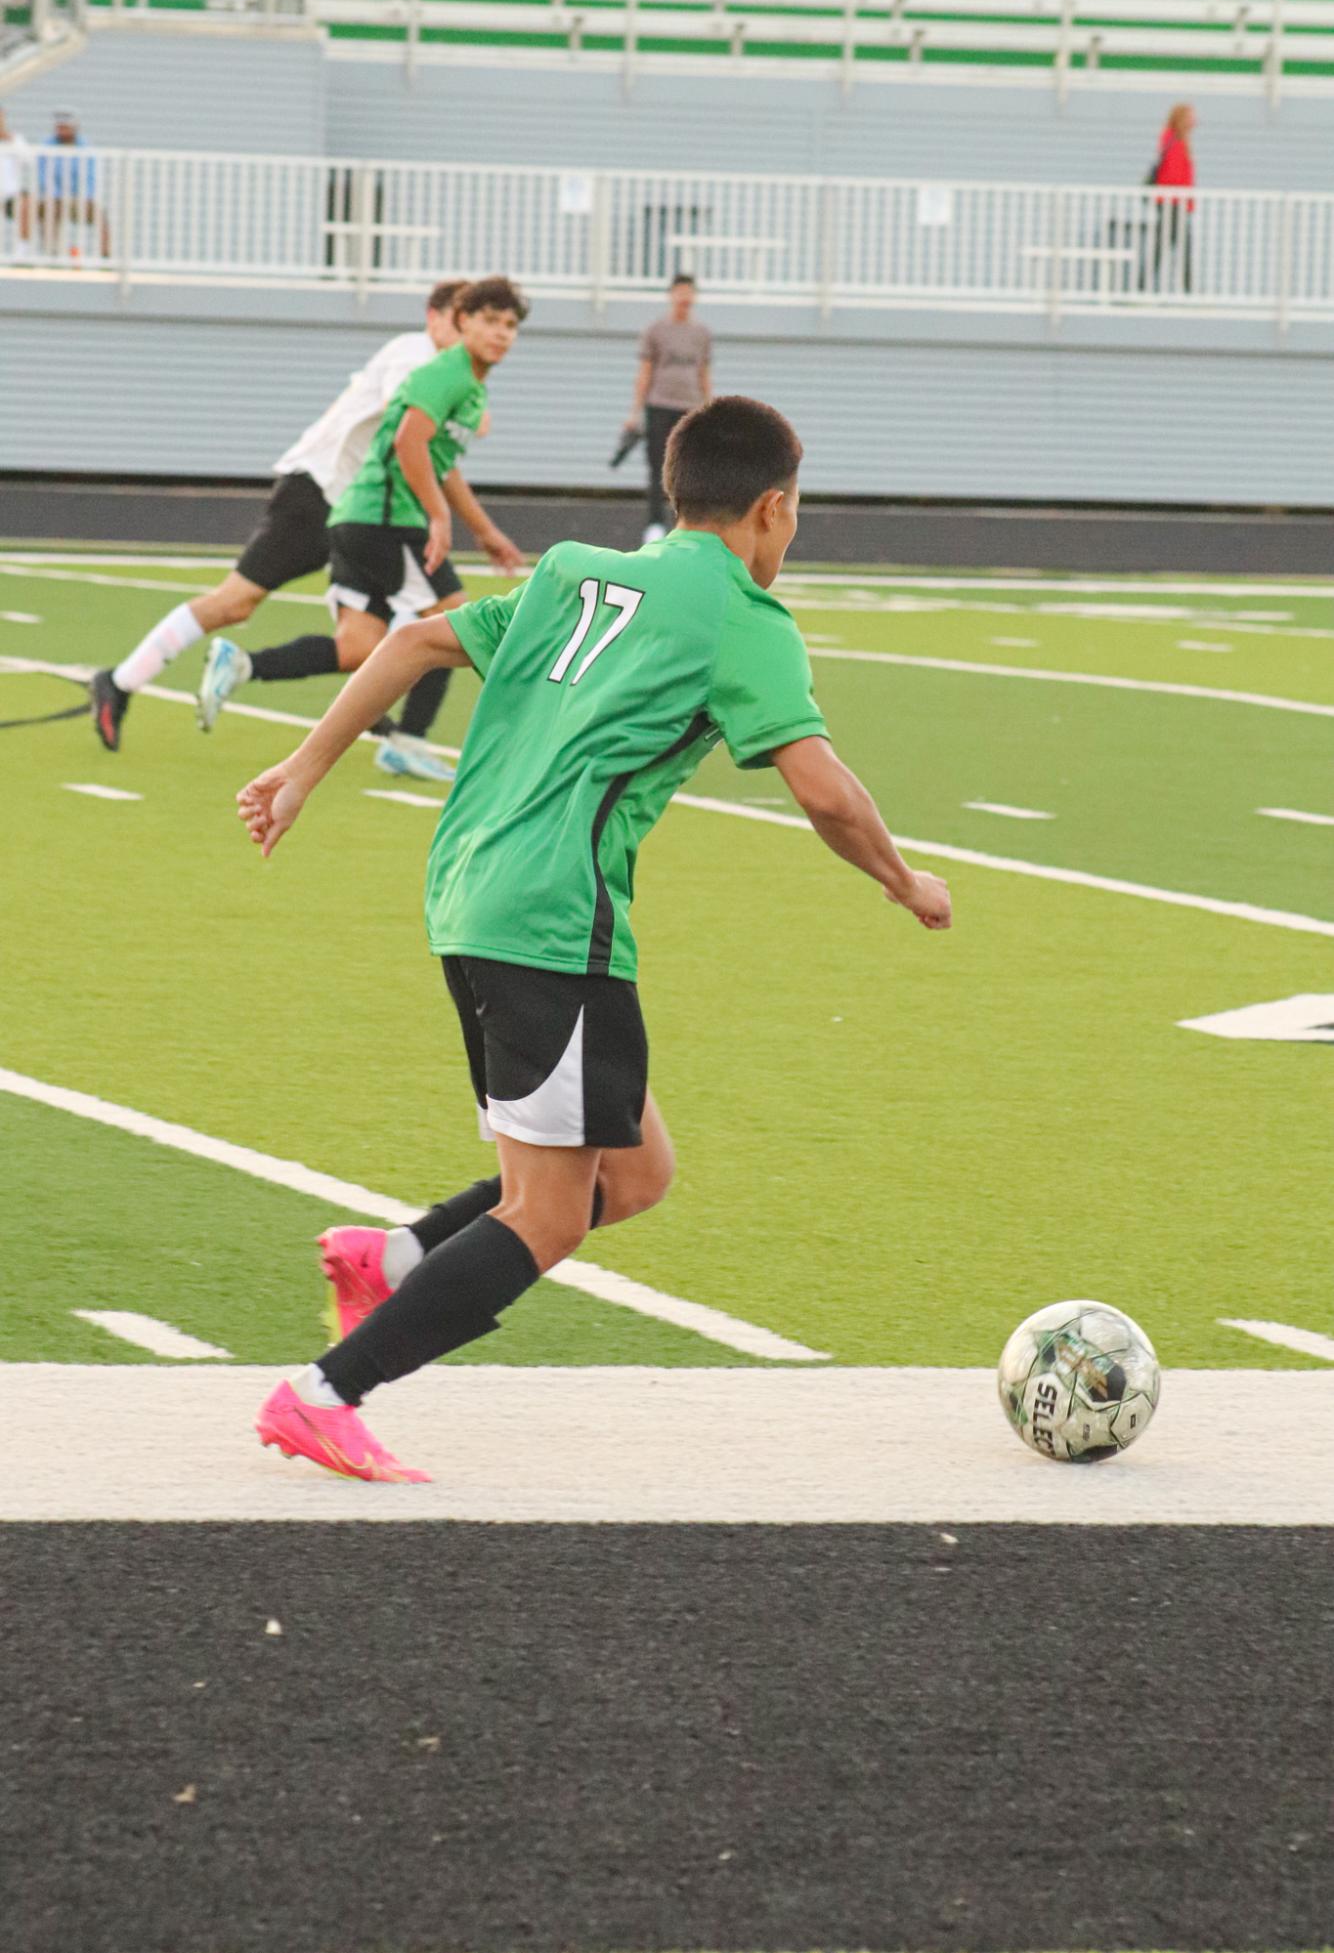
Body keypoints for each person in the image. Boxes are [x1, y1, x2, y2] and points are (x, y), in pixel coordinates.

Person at [238, 394, 953, 1484]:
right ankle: (326, 1393)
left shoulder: (576, 569)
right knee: (550, 1216)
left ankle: (383, 1258)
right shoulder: (741, 620)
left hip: (469, 892)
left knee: (638, 1170)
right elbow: (824, 793)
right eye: (794, 513)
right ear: (770, 508)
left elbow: (420, 639)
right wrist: (902, 881)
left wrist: (301, 769)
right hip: (552, 921)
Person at [90, 279, 523, 781]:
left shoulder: (452, 370)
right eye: (467, 318)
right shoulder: (418, 356)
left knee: (366, 641)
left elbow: (439, 454)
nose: (485, 332)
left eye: (503, 323)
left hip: (366, 509)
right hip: (322, 492)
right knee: (237, 603)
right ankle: (120, 682)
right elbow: (416, 429)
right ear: (439, 318)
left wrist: (483, 527)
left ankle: (382, 722)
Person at [624, 273, 712, 544]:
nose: (685, 297)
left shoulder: (701, 334)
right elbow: (645, 373)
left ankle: (685, 525)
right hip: (659, 406)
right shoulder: (656, 331)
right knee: (657, 468)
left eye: (689, 292)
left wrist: (709, 409)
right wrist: (635, 413)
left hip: (690, 410)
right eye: (680, 291)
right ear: (671, 295)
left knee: (690, 470)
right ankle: (654, 525)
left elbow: (704, 375)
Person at [34, 109, 109, 262]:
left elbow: (90, 177)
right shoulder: (46, 146)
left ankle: (105, 255)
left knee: (100, 216)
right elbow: (43, 176)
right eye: (59, 127)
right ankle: (51, 253)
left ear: (74, 128)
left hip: (79, 198)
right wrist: (55, 197)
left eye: (65, 127)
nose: (62, 131)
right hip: (55, 198)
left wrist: (86, 197)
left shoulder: (85, 148)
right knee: (48, 210)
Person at [1143, 103, 1195, 294]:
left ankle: (1143, 286)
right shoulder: (1173, 139)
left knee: (1166, 246)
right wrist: (1183, 198)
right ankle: (1187, 291)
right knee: (1178, 247)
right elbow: (1173, 175)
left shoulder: (1178, 140)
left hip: (1175, 203)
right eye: (1191, 116)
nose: (1194, 121)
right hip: (1172, 204)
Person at [0, 107, 31, 257]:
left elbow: (28, 160)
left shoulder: (14, 139)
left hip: (10, 195)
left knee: (26, 202)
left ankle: (22, 249)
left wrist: (8, 139)